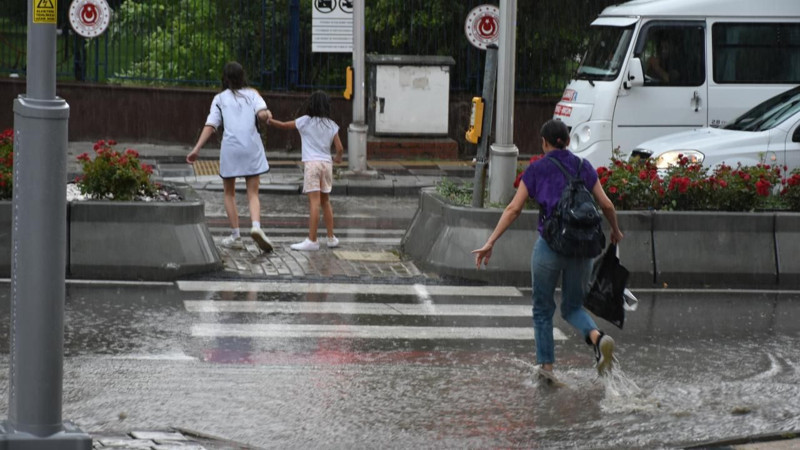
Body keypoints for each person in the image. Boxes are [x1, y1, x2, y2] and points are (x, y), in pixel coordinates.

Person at [472, 119, 624, 381]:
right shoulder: (583, 166)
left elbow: (514, 209)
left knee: (543, 309)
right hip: (583, 248)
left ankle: (547, 369)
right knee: (573, 307)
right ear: (566, 140)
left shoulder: (537, 169)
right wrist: (615, 231)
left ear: (544, 143)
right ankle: (598, 339)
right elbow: (607, 205)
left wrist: (491, 241)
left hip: (550, 247)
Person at [186, 61, 274, 253]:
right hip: (252, 148)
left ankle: (236, 236)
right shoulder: (253, 94)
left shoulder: (219, 99)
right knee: (253, 193)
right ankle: (256, 226)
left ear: (224, 78)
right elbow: (262, 114)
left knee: (229, 192)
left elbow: (211, 125)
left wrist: (196, 149)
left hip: (231, 149)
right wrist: (266, 114)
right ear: (243, 76)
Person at [268, 91, 344, 251]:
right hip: (326, 164)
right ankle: (331, 238)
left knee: (314, 202)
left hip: (312, 165)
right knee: (325, 201)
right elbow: (340, 148)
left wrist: (269, 121)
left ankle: (312, 240)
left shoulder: (305, 121)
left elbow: (283, 125)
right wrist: (337, 158)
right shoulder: (331, 125)